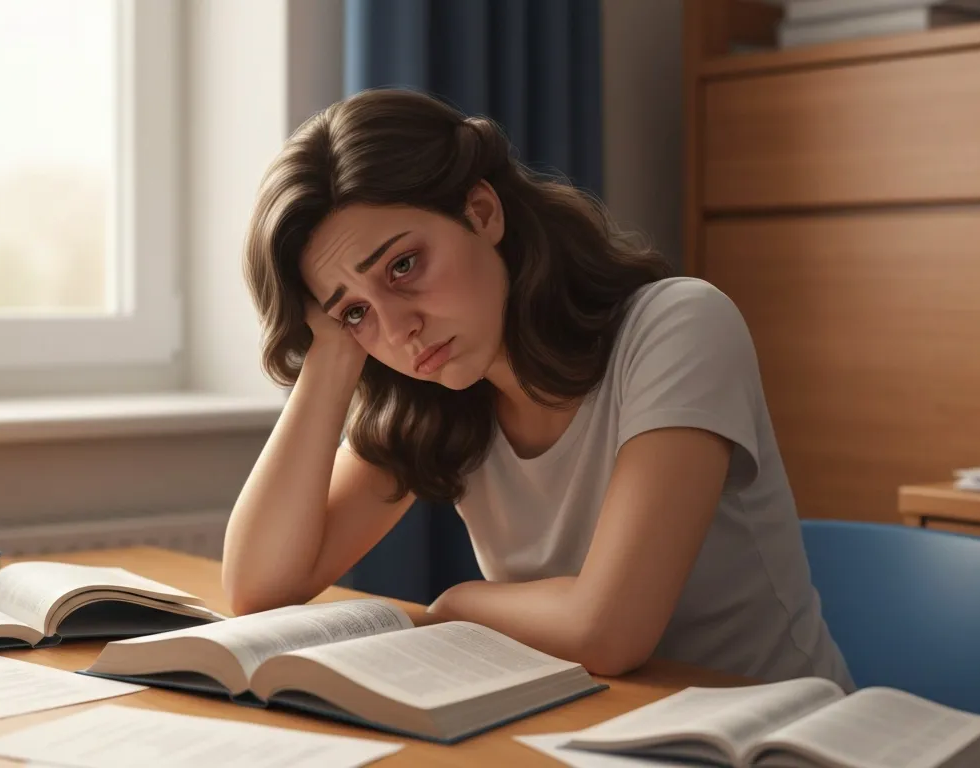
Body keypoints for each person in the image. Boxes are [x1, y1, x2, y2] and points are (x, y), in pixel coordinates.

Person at [222, 87, 853, 689]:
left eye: (403, 266)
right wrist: (332, 354)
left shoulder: (679, 326)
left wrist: (455, 606)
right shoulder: (440, 395)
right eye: (355, 310)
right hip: (594, 734)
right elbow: (259, 591)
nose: (399, 328)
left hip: (777, 734)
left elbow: (608, 630)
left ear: (482, 212)